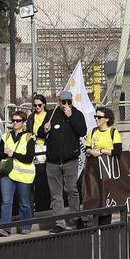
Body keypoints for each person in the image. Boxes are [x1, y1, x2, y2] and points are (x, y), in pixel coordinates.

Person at [44, 89, 87, 231]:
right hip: (53, 161)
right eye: (64, 102)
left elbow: (82, 131)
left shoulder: (77, 114)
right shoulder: (51, 114)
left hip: (70, 161)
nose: (66, 104)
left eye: (69, 102)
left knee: (72, 190)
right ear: (59, 101)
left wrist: (70, 117)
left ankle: (76, 218)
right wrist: (44, 129)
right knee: (56, 194)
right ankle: (59, 223)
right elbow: (39, 132)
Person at [0, 112, 36, 236]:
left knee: (24, 201)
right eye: (13, 121)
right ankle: (5, 228)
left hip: (24, 174)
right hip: (8, 173)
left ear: (23, 123)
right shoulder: (5, 136)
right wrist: (5, 153)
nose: (15, 123)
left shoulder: (29, 137)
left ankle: (25, 226)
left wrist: (14, 154)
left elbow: (29, 158)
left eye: (18, 121)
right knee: (6, 201)